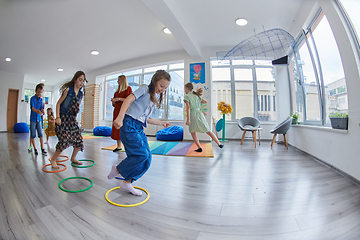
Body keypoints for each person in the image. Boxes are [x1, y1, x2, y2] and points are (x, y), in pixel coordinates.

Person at [107, 70, 171, 196]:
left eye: (165, 87)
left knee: (147, 158)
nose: (163, 89)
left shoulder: (152, 100)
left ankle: (127, 182)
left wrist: (161, 123)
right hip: (129, 124)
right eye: (161, 86)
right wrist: (120, 117)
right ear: (154, 81)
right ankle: (117, 169)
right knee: (140, 155)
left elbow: (146, 118)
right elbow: (128, 99)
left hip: (139, 128)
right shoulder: (144, 89)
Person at [49, 71, 87, 168]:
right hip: (62, 119)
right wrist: (57, 118)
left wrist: (74, 119)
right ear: (75, 80)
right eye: (80, 80)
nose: (81, 83)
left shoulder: (81, 94)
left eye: (83, 81)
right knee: (64, 140)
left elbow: (77, 107)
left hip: (71, 120)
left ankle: (73, 158)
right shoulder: (68, 90)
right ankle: (53, 159)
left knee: (78, 139)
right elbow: (58, 104)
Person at [184, 82, 224, 152]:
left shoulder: (187, 96)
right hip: (199, 114)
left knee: (193, 132)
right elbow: (205, 101)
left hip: (193, 114)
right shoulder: (196, 96)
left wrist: (188, 119)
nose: (185, 91)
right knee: (208, 130)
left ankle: (199, 147)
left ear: (187, 88)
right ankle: (219, 143)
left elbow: (188, 107)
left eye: (185, 89)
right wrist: (197, 101)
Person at [111, 75, 132, 152]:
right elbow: (114, 105)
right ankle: (118, 146)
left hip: (124, 111)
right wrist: (114, 101)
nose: (117, 81)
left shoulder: (128, 89)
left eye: (119, 80)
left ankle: (128, 146)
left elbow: (130, 100)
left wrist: (118, 99)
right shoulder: (117, 91)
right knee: (117, 128)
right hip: (116, 110)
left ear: (122, 80)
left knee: (125, 128)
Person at [29, 83, 47, 155]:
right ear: (36, 91)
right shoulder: (32, 99)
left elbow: (42, 107)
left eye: (41, 92)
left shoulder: (41, 99)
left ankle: (42, 148)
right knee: (33, 134)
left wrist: (42, 110)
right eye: (38, 92)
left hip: (39, 119)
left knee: (41, 134)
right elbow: (32, 108)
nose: (39, 93)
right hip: (33, 119)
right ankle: (35, 148)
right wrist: (37, 111)